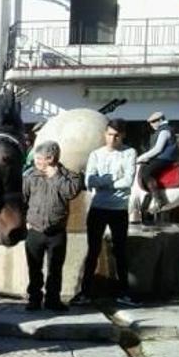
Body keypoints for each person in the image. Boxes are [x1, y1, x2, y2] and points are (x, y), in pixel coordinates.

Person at [73, 119, 138, 307]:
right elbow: (89, 180)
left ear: (123, 135)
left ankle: (124, 291)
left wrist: (104, 182)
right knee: (93, 250)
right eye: (110, 134)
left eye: (117, 135)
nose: (112, 139)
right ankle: (85, 291)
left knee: (120, 251)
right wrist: (111, 180)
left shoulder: (129, 152)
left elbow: (127, 181)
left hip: (118, 209)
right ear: (104, 134)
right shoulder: (96, 154)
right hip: (98, 207)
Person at [23, 141, 84, 312]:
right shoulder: (30, 176)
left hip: (56, 232)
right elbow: (23, 199)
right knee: (34, 267)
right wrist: (25, 221)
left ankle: (52, 299)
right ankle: (34, 298)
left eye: (41, 159)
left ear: (51, 159)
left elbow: (71, 192)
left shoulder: (69, 176)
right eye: (36, 159)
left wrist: (55, 176)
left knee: (55, 269)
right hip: (34, 230)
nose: (37, 162)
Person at [137, 111, 178, 213]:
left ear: (160, 120)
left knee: (146, 172)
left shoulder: (164, 131)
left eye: (153, 122)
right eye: (150, 123)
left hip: (165, 158)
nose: (151, 125)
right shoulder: (160, 130)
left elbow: (158, 149)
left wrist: (141, 157)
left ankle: (158, 199)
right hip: (160, 158)